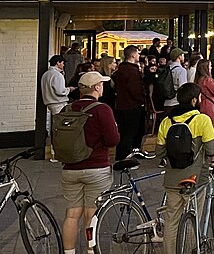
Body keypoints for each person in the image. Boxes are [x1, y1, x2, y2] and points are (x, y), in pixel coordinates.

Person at [58, 72, 119, 254]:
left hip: (70, 168)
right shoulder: (102, 109)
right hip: (96, 168)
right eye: (102, 84)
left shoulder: (67, 109)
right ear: (97, 87)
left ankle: (69, 252)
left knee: (71, 214)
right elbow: (113, 140)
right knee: (91, 215)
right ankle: (90, 251)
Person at [156, 83, 214, 254]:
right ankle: (192, 250)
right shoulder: (202, 120)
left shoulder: (166, 122)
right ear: (194, 100)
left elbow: (159, 152)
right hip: (196, 179)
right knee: (193, 219)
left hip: (172, 181)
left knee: (171, 221)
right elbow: (212, 149)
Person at [112, 45, 149, 160]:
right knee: (131, 131)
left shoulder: (122, 69)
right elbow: (134, 89)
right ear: (133, 55)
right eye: (138, 53)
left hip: (123, 104)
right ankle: (126, 154)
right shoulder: (131, 71)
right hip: (132, 105)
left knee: (126, 132)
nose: (139, 55)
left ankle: (128, 153)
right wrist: (142, 99)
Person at [41, 54, 72, 161]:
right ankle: (58, 152)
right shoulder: (57, 75)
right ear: (58, 63)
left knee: (55, 128)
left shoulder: (46, 74)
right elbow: (60, 91)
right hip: (58, 103)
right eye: (62, 63)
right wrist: (69, 89)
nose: (63, 65)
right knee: (61, 129)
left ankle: (55, 151)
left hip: (50, 103)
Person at [194, 60, 214, 132]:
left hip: (201, 104)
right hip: (209, 104)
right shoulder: (208, 80)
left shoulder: (198, 79)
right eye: (210, 66)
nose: (211, 67)